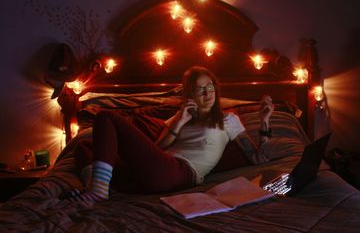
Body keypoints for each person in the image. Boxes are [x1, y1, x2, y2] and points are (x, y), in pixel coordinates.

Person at [62, 66, 274, 204]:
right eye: (200, 90)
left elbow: (257, 158)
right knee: (85, 148)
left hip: (181, 173)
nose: (207, 94)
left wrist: (264, 120)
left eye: (210, 87)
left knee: (106, 117)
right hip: (155, 170)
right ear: (190, 94)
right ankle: (99, 187)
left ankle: (98, 190)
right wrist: (180, 121)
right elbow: (159, 147)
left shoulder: (228, 119)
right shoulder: (179, 116)